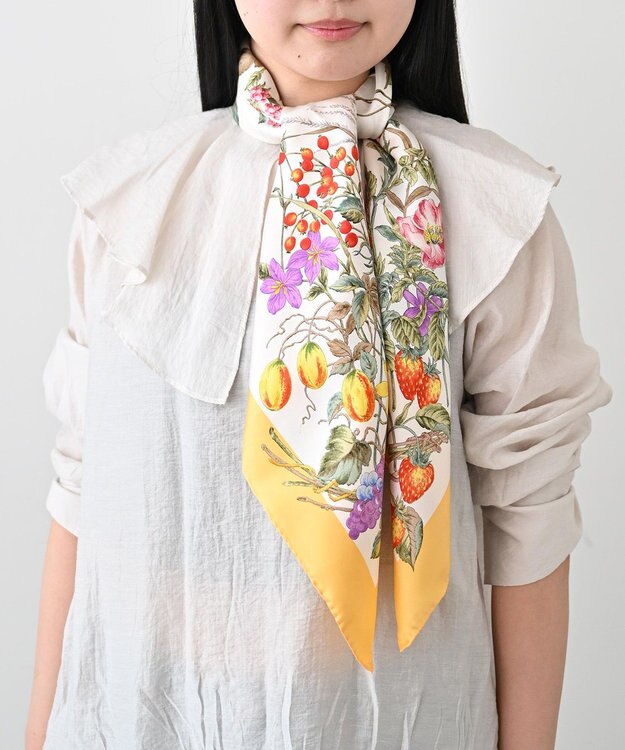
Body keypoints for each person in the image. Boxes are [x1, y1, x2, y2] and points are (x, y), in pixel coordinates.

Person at [26, 1, 613, 749]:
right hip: (142, 714)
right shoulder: (129, 206)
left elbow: (530, 518)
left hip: (396, 723)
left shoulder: (498, 211)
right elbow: (84, 491)